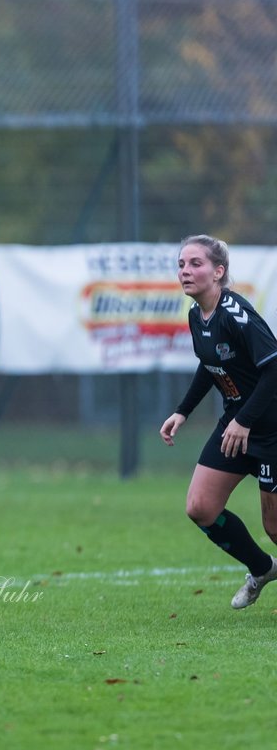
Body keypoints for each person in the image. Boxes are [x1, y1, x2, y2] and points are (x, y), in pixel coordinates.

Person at [160, 234, 277, 610]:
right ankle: (262, 570)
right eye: (181, 264)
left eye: (195, 263)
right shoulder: (198, 315)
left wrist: (244, 420)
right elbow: (209, 367)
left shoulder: (236, 313)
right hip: (236, 425)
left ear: (218, 271)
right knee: (200, 507)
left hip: (269, 428)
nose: (185, 271)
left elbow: (273, 368)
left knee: (275, 528)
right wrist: (182, 410)